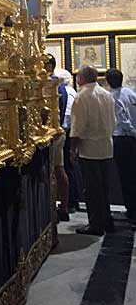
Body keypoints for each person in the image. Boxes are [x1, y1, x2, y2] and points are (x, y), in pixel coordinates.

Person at [70, 65, 116, 236]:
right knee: (104, 187)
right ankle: (107, 220)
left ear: (81, 78)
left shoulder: (82, 96)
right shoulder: (106, 94)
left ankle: (96, 224)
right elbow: (114, 121)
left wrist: (72, 149)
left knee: (92, 189)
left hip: (89, 148)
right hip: (106, 146)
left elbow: (78, 127)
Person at [105, 68, 136, 221]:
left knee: (126, 176)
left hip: (123, 139)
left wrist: (132, 132)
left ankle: (132, 211)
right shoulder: (130, 93)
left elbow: (123, 119)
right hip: (131, 138)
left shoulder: (113, 97)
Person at [44, 55, 70, 221]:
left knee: (55, 171)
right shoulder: (58, 85)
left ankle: (56, 208)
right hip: (57, 131)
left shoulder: (52, 85)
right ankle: (62, 207)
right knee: (59, 169)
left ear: (48, 66)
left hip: (53, 134)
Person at [55, 68, 82, 211]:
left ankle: (71, 201)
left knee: (67, 167)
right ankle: (72, 200)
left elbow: (67, 115)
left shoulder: (65, 92)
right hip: (68, 131)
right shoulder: (71, 92)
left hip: (66, 131)